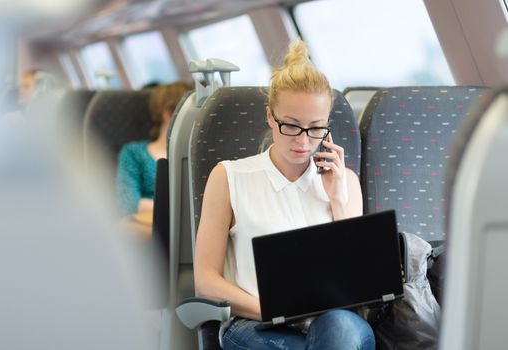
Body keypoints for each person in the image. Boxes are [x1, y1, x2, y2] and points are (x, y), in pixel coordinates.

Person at [194, 39, 375, 349]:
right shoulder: (229, 177)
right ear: (270, 117)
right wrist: (276, 310)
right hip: (256, 322)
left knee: (339, 328)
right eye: (291, 126)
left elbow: (355, 284)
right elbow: (206, 281)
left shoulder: (345, 181)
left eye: (316, 128)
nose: (304, 141)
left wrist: (338, 200)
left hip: (333, 322)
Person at [116, 81, 192, 216]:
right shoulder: (134, 153)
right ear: (168, 114)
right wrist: (179, 212)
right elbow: (129, 204)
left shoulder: (197, 155)